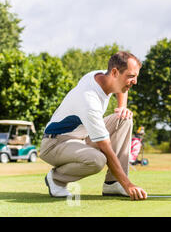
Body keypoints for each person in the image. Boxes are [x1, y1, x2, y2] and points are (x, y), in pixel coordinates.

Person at [39, 51, 148, 200]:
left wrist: (122, 106)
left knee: (123, 118)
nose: (135, 81)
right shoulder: (90, 100)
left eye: (136, 76)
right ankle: (57, 179)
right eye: (131, 76)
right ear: (115, 72)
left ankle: (113, 183)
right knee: (97, 160)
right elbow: (106, 149)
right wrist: (128, 184)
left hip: (81, 138)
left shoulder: (102, 76)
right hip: (55, 143)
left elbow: (121, 88)